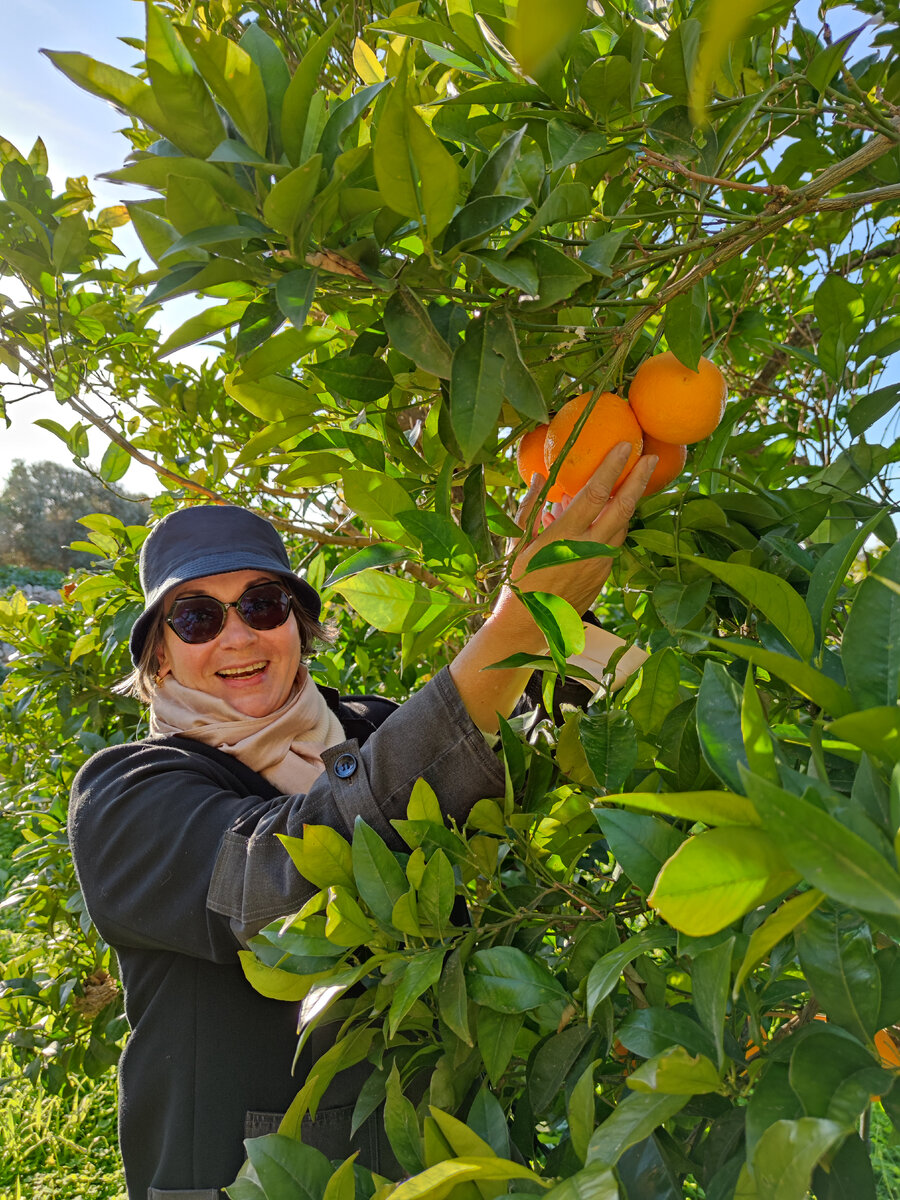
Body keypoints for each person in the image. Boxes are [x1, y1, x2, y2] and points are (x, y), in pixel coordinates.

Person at [68, 442, 657, 1199]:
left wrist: (565, 597)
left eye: (261, 604)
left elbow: (537, 761)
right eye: (196, 617)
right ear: (159, 658)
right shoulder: (128, 795)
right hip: (242, 1181)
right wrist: (511, 629)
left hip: (427, 1163)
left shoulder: (371, 728)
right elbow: (285, 875)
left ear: (299, 624)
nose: (239, 636)